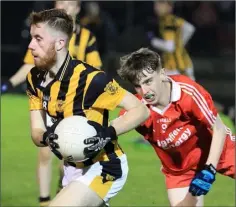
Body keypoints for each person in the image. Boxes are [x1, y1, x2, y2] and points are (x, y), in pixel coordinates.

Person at [26, 9, 150, 207]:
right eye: (32, 38)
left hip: (104, 166)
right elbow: (36, 131)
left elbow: (140, 110)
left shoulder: (92, 79)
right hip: (71, 169)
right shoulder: (34, 79)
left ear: (59, 43)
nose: (31, 45)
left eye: (38, 39)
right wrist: (48, 137)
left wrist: (106, 133)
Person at [2, 1, 103, 206]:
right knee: (45, 151)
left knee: (71, 156)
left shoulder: (86, 37)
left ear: (77, 8)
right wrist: (9, 83)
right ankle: (45, 201)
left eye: (70, 3)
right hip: (50, 99)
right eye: (61, 2)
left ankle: (65, 190)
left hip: (76, 104)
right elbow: (30, 64)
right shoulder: (46, 34)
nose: (65, 6)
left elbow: (96, 71)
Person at [117, 48, 235, 207]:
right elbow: (111, 130)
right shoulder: (139, 110)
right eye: (138, 86)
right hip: (179, 170)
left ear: (162, 74)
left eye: (148, 81)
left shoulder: (188, 92)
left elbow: (219, 129)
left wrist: (209, 171)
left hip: (218, 151)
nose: (145, 91)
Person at [147, 0, 196, 80]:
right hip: (184, 64)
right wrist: (179, 44)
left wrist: (153, 41)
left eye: (160, 3)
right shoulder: (174, 19)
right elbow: (190, 28)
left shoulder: (168, 22)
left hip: (175, 68)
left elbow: (169, 47)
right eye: (155, 3)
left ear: (170, 6)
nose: (156, 7)